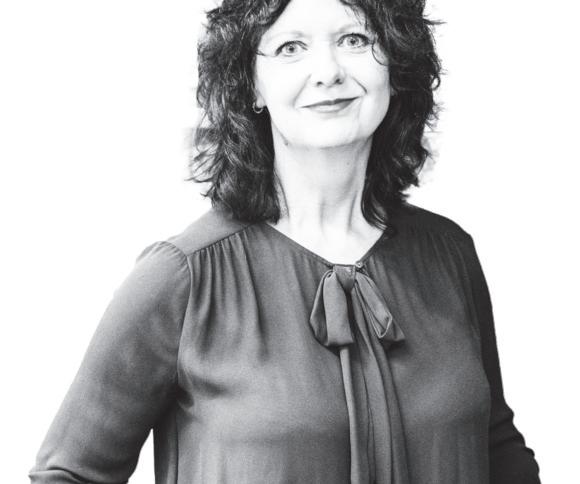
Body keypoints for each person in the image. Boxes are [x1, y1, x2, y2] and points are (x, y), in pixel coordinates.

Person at [30, 0, 542, 482]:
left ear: (396, 64)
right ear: (252, 86)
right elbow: (69, 473)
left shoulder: (450, 253)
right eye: (290, 47)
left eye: (355, 39)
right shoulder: (182, 276)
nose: (328, 71)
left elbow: (497, 448)